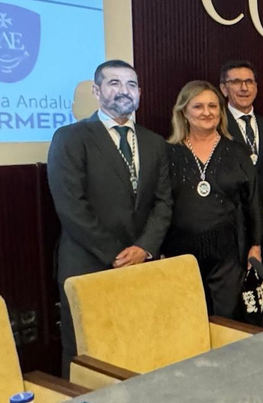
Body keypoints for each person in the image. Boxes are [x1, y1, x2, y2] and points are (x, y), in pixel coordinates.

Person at [46, 60, 173, 366]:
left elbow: (164, 203)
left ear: (140, 92)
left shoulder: (154, 142)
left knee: (137, 349)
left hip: (141, 265)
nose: (123, 90)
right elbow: (71, 207)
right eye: (114, 83)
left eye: (131, 84)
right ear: (96, 90)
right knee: (87, 356)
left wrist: (144, 248)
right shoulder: (71, 137)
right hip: (89, 264)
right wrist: (116, 255)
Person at [163, 80, 263, 316]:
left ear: (221, 111)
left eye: (213, 106)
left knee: (225, 319)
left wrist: (256, 246)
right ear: (183, 112)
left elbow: (252, 201)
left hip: (229, 255)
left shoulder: (237, 151)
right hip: (181, 253)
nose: (206, 112)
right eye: (198, 106)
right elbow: (161, 204)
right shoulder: (168, 153)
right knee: (188, 317)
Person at [219, 60, 263, 261]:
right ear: (224, 88)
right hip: (229, 228)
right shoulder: (217, 127)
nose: (244, 88)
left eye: (249, 82)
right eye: (236, 82)